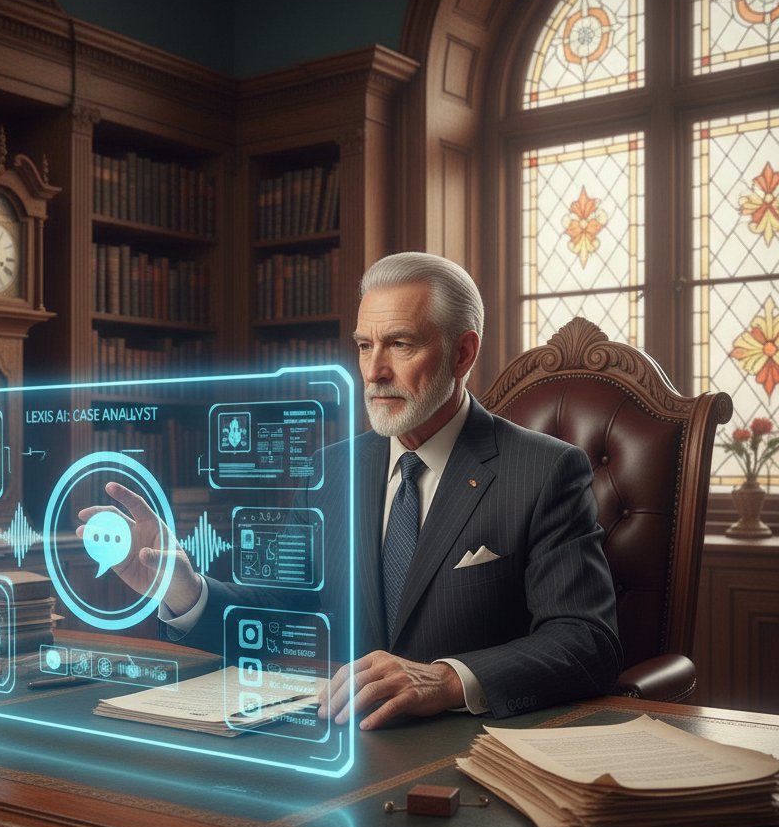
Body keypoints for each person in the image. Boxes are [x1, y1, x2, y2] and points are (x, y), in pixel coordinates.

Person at [79, 252, 622, 729]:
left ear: (462, 353)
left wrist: (445, 680)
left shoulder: (546, 470)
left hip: (473, 750)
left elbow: (585, 640)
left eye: (400, 344)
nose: (375, 371)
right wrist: (182, 589)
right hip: (342, 742)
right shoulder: (331, 470)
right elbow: (278, 613)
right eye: (365, 346)